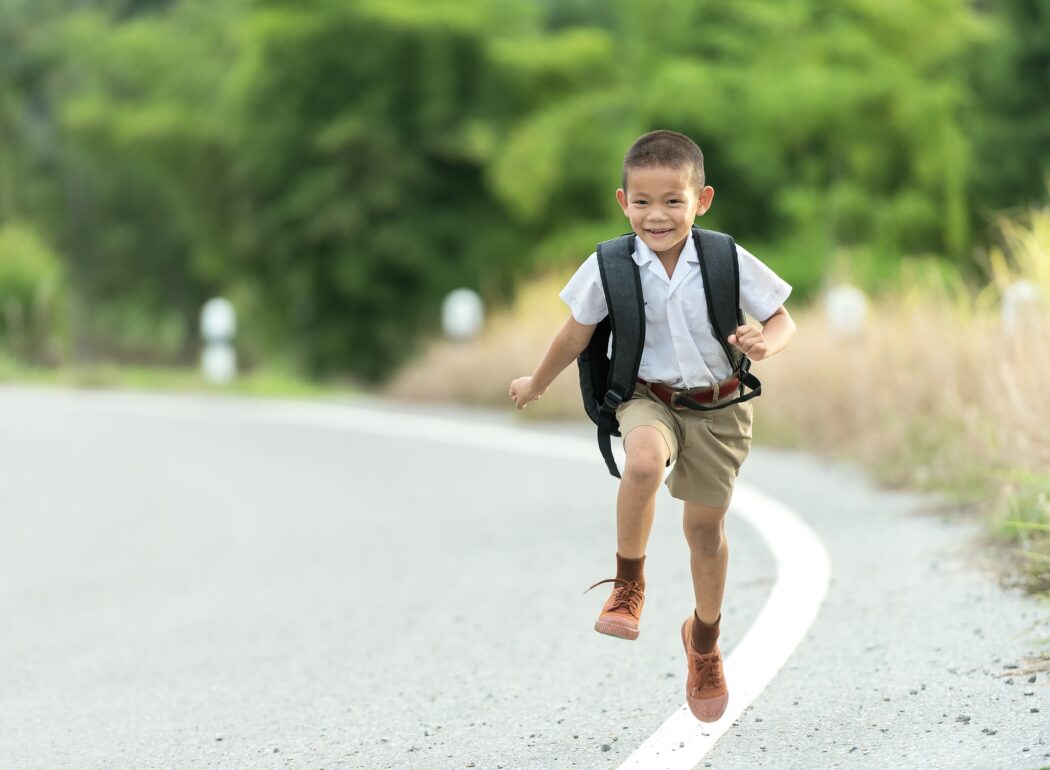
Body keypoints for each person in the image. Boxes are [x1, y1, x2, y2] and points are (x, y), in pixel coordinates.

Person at [507, 130, 795, 723]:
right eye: (642, 202)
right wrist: (536, 381)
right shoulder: (609, 265)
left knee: (704, 534)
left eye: (673, 201)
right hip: (647, 398)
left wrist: (766, 343)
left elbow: (780, 317)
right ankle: (629, 585)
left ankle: (705, 640)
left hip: (718, 408)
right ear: (622, 201)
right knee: (640, 462)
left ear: (702, 199)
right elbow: (575, 333)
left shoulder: (723, 258)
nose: (657, 215)